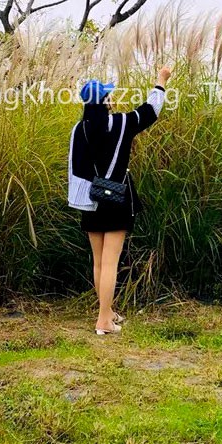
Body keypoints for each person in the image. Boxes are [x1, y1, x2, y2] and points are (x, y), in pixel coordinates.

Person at [68, 67, 172, 335]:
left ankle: (107, 311)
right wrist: (161, 81)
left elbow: (77, 168)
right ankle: (103, 320)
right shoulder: (121, 123)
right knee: (111, 262)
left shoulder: (79, 130)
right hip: (115, 198)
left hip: (91, 200)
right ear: (105, 102)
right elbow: (152, 110)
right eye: (107, 96)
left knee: (98, 262)